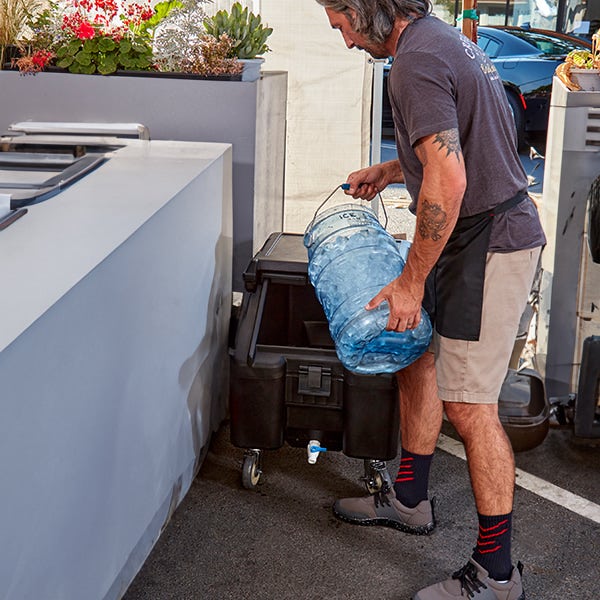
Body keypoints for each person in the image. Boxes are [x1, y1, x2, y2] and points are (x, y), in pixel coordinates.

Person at [314, 1, 546, 599]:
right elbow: (458, 147)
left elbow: (451, 180)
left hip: (488, 244)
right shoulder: (440, 40)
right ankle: (410, 499)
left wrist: (411, 280)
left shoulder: (415, 61)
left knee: (470, 407)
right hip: (462, 234)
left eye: (339, 26)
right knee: (416, 357)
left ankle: (497, 576)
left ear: (364, 8)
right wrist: (396, 170)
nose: (343, 41)